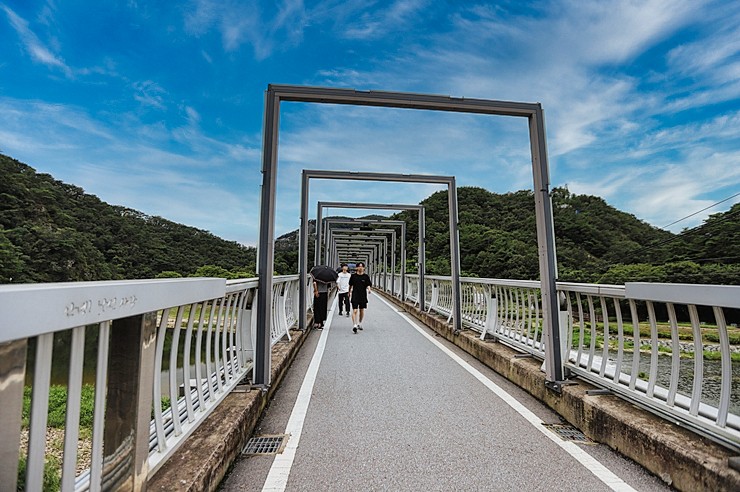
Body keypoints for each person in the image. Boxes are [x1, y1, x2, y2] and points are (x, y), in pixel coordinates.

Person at [348, 261, 372, 334]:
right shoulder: (353, 276)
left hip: (363, 295)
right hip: (355, 294)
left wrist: (369, 289)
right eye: (359, 266)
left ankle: (359, 323)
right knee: (355, 310)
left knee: (361, 310)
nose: (360, 268)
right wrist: (349, 292)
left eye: (362, 266)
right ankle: (354, 325)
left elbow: (368, 284)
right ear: (356, 268)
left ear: (364, 268)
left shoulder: (366, 276)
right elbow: (350, 285)